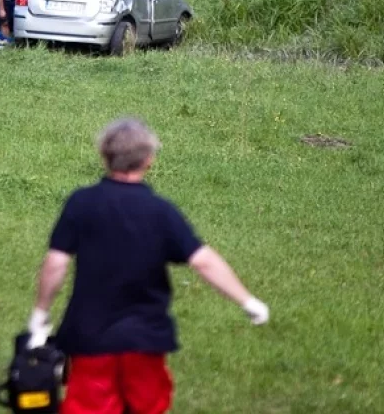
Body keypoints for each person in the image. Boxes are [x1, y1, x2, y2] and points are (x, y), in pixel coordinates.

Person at [25, 118, 270, 414]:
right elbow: (203, 261)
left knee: (88, 406)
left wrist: (40, 315)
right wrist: (247, 301)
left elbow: (56, 263)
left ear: (103, 154)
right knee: (147, 406)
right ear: (149, 159)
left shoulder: (82, 203)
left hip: (90, 335)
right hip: (145, 338)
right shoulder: (160, 212)